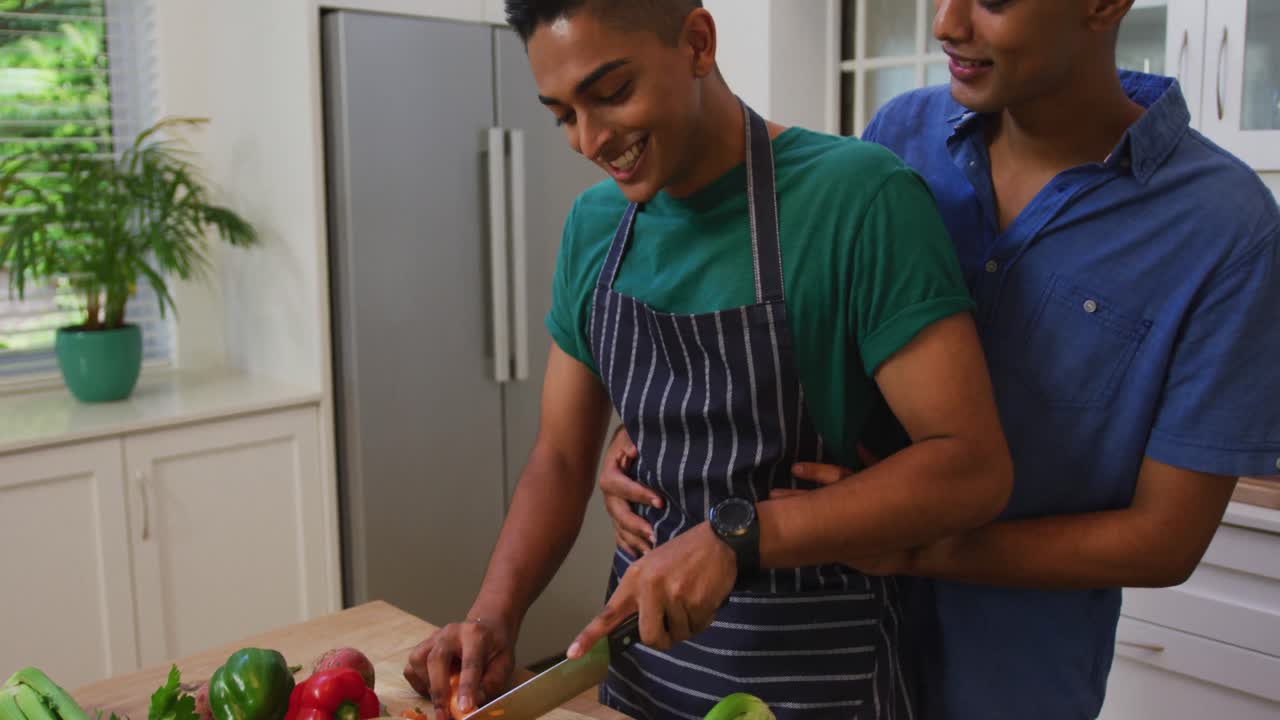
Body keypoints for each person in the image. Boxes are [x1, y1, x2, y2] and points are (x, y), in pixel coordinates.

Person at [597, 0, 1280, 718]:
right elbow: (812, 353)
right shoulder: (899, 137)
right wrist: (657, 431)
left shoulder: (1225, 228)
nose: (946, 24)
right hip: (821, 648)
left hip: (1014, 677)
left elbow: (1163, 541)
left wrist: (923, 552)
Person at [402, 1, 1015, 718]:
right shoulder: (594, 230)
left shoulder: (857, 200)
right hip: (639, 676)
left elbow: (972, 468)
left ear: (697, 42)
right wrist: (494, 616)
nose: (591, 140)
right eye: (563, 114)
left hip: (814, 677)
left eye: (612, 93)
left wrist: (737, 536)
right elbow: (562, 458)